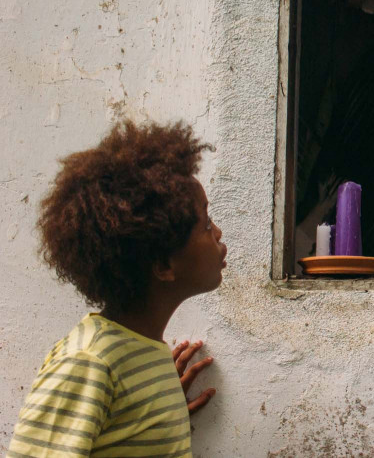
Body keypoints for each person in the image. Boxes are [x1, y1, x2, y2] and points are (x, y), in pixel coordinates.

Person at [7, 120, 226, 458]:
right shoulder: (88, 362)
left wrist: (152, 415)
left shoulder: (139, 353)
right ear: (163, 265)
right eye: (206, 223)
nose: (218, 234)